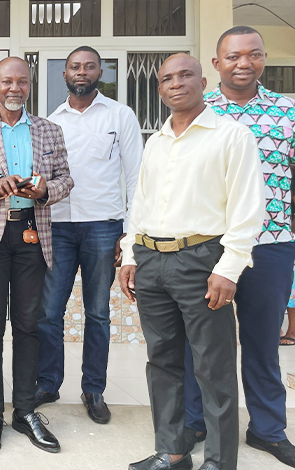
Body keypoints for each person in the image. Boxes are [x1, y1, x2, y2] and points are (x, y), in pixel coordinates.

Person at [120, 53, 264, 470]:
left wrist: (228, 268)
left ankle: (220, 461)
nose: (176, 83)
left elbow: (246, 209)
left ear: (204, 81)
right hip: (151, 259)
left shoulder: (231, 136)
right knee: (162, 362)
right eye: (167, 78)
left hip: (202, 261)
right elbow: (140, 203)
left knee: (212, 365)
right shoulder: (157, 140)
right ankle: (173, 450)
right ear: (159, 88)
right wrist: (130, 254)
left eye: (186, 75)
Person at [181, 26, 295, 468]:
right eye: (233, 56)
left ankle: (267, 428)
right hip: (208, 246)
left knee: (264, 341)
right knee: (202, 344)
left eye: (253, 55)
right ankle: (196, 421)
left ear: (265, 59)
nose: (243, 63)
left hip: (270, 243)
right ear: (216, 64)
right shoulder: (198, 111)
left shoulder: (287, 112)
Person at [0, 57, 74, 455]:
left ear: (30, 85)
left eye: (22, 81)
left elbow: (65, 179)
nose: (14, 88)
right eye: (7, 81)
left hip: (32, 234)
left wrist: (45, 191)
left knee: (27, 326)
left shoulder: (48, 130)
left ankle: (24, 411)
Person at [37, 46, 143, 423]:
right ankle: (47, 383)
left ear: (101, 71)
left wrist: (129, 232)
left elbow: (136, 177)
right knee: (49, 312)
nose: (81, 72)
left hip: (103, 226)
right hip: (58, 226)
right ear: (64, 74)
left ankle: (93, 389)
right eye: (74, 67)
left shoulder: (120, 115)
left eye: (89, 66)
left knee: (98, 313)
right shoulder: (51, 121)